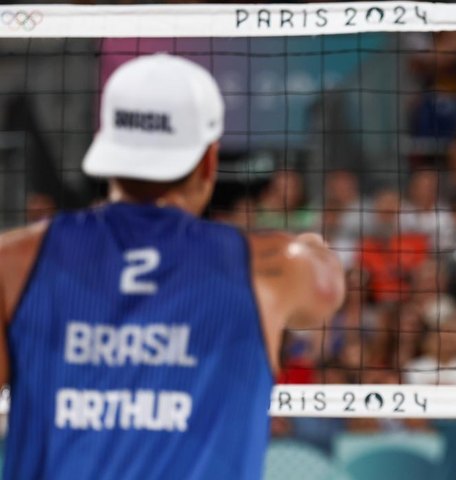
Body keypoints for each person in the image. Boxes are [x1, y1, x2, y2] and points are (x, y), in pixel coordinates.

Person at [0, 54, 345, 479]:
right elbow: (328, 287)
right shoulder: (270, 267)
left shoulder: (14, 262)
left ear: (107, 146)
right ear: (208, 161)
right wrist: (311, 246)